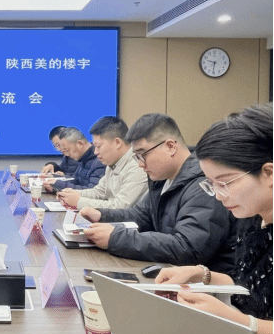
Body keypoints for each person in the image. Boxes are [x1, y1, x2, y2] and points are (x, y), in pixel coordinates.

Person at [155, 103, 273, 334]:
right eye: (211, 184)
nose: (218, 196)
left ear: (269, 173)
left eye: (225, 183)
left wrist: (238, 322)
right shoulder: (251, 216)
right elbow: (252, 289)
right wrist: (203, 275)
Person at [80, 113, 237, 273]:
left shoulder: (203, 185)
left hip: (203, 282)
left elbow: (188, 248)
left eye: (142, 155)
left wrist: (115, 238)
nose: (140, 164)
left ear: (170, 147)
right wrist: (101, 215)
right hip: (172, 273)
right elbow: (140, 216)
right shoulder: (162, 179)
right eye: (136, 157)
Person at [57, 116, 148, 210]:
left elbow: (120, 206)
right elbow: (99, 192)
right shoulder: (113, 163)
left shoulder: (137, 166)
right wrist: (72, 194)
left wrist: (78, 201)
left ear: (117, 143)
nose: (95, 152)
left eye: (98, 146)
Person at [44, 127, 105, 191]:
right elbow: (74, 181)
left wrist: (59, 185)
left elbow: (92, 191)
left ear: (80, 144)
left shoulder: (100, 161)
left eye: (67, 150)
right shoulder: (83, 159)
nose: (67, 154)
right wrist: (54, 184)